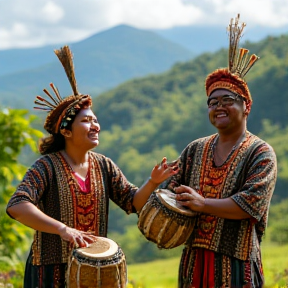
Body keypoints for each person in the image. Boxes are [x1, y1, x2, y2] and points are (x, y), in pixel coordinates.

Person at [6, 46, 179, 288]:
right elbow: (17, 206)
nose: (95, 125)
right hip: (49, 272)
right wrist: (62, 229)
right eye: (86, 121)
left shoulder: (104, 165)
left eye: (96, 120)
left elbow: (133, 203)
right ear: (66, 131)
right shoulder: (46, 167)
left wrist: (153, 182)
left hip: (95, 270)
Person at [161, 14, 277, 288]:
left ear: (246, 106)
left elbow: (251, 205)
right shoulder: (195, 150)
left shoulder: (261, 153)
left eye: (228, 100)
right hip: (193, 262)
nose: (219, 107)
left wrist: (203, 203)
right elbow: (169, 191)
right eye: (212, 102)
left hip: (236, 265)